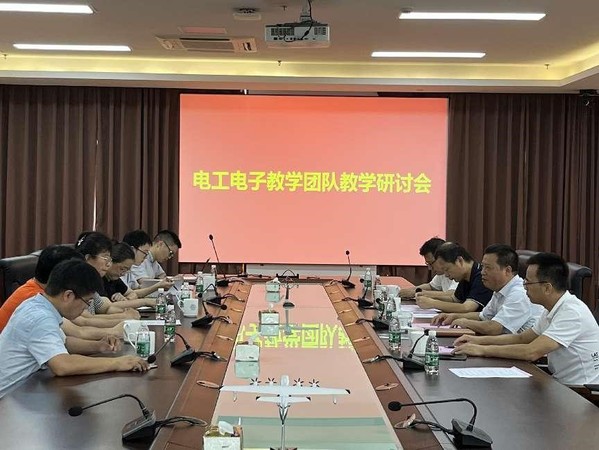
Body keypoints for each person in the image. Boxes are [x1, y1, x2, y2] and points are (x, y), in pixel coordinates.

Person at [0, 259, 149, 398]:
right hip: (8, 400)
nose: (86, 307)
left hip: (25, 391)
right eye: (87, 301)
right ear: (68, 295)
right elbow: (62, 365)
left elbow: (63, 343)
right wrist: (117, 363)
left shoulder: (38, 304)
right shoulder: (40, 317)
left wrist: (98, 346)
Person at [454, 252, 599, 385]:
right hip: (560, 384)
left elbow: (531, 351)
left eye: (528, 283)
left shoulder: (572, 312)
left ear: (547, 288)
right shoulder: (552, 308)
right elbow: (522, 338)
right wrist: (476, 341)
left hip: (581, 391)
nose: (524, 288)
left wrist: (481, 350)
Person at [0, 245, 124, 337]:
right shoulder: (35, 299)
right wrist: (115, 330)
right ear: (59, 273)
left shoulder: (45, 293)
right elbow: (78, 330)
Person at [432, 244, 543, 335]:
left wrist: (465, 322)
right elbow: (483, 317)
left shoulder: (519, 294)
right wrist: (454, 316)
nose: (482, 272)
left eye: (488, 268)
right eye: (483, 266)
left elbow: (494, 328)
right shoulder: (499, 289)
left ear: (507, 270)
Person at [75, 232, 140, 321]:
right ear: (88, 258)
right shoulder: (75, 281)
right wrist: (123, 317)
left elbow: (106, 308)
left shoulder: (89, 282)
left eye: (110, 259)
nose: (109, 264)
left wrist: (125, 312)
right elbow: (85, 320)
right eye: (106, 258)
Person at [416, 242, 493, 313]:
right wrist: (428, 297)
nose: (446, 275)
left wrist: (433, 303)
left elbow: (467, 307)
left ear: (459, 261)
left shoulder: (481, 276)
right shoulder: (465, 276)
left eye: (447, 269)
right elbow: (454, 299)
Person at [103, 242, 156, 309]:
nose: (123, 274)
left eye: (126, 270)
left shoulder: (114, 279)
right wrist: (144, 302)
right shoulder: (99, 279)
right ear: (110, 261)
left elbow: (133, 293)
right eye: (122, 269)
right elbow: (108, 306)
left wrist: (125, 300)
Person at [122, 229, 174, 296]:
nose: (146, 257)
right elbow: (129, 293)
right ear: (132, 250)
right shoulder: (120, 269)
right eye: (145, 253)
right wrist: (157, 286)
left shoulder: (129, 271)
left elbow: (136, 290)